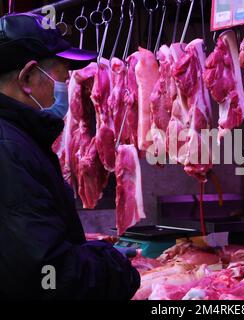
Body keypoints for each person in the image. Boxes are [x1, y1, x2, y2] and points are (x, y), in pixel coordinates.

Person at [0, 13, 140, 299]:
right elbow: (48, 274)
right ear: (27, 78)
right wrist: (114, 268)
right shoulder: (8, 149)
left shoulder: (16, 140)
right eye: (63, 79)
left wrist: (90, 253)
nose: (66, 89)